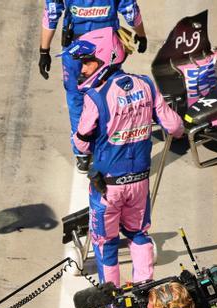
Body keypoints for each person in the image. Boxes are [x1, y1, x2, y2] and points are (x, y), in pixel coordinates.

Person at [68, 28, 185, 286]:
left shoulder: (95, 97)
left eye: (88, 62)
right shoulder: (146, 85)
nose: (83, 69)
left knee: (106, 243)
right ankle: (145, 291)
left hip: (107, 188)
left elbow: (81, 143)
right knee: (138, 234)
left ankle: (113, 303)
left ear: (106, 58)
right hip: (140, 183)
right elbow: (175, 127)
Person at [38, 0, 147, 172]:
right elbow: (130, 11)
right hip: (107, 48)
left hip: (75, 48)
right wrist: (141, 35)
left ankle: (82, 153)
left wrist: (44, 51)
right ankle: (111, 143)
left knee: (76, 97)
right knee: (110, 94)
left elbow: (51, 13)